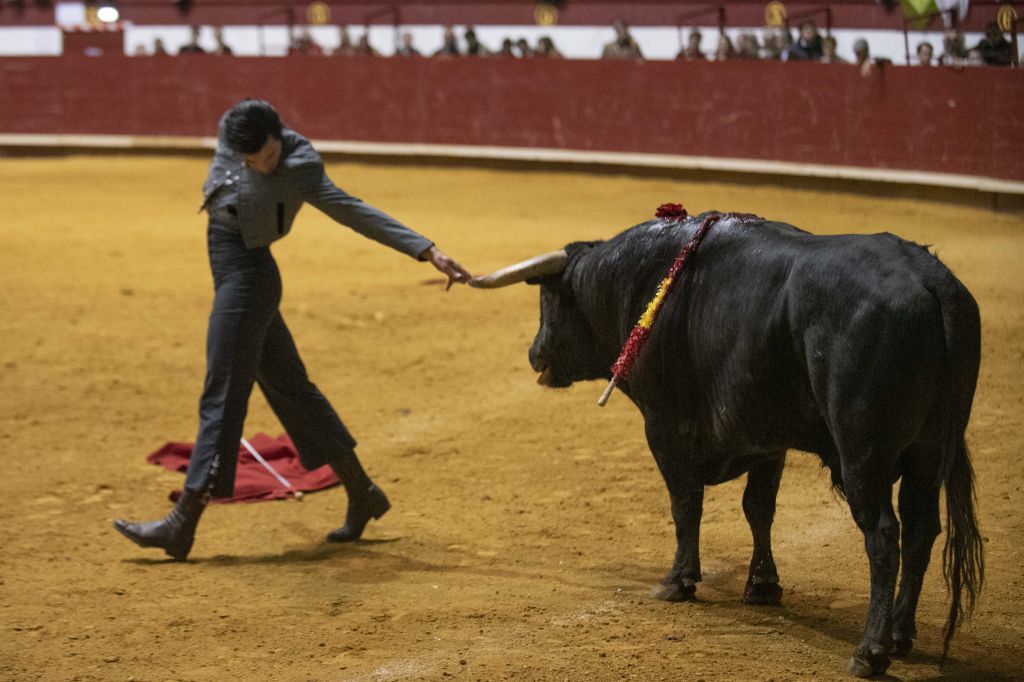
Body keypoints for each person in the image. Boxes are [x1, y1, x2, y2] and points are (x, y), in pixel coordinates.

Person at [113, 99, 473, 561]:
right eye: (251, 161)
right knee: (292, 391)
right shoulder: (234, 130)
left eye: (267, 156)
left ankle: (182, 523)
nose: (261, 166)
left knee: (222, 391)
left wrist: (427, 250)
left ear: (278, 134)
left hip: (249, 278)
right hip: (226, 264)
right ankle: (362, 491)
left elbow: (351, 210)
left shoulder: (301, 166)